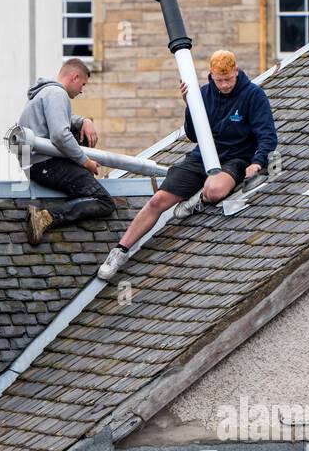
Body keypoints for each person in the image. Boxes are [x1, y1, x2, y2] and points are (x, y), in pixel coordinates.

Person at [97, 50, 277, 281]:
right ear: (211, 75)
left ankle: (198, 201)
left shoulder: (254, 95)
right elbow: (193, 135)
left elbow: (267, 135)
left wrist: (257, 162)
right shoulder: (204, 93)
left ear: (236, 71)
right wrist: (189, 105)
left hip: (236, 158)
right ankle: (120, 251)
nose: (223, 85)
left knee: (214, 189)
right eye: (218, 80)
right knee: (158, 200)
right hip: (201, 155)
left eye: (228, 80)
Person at [18, 58, 117, 244]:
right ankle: (44, 217)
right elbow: (60, 135)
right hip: (46, 164)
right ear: (75, 77)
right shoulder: (57, 93)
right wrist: (85, 161)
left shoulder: (46, 92)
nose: (82, 90)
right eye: (83, 84)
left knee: (88, 191)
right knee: (103, 201)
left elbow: (62, 118)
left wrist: (84, 121)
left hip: (36, 163)